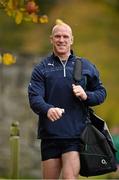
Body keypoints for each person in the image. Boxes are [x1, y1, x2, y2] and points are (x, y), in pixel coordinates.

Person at [28, 21, 107, 179]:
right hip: (49, 135)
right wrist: (48, 109)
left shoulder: (85, 66)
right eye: (57, 36)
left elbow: (101, 93)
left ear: (72, 40)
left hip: (75, 134)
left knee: (70, 178)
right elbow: (34, 97)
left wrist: (86, 95)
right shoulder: (42, 68)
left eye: (65, 36)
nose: (61, 40)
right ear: (51, 39)